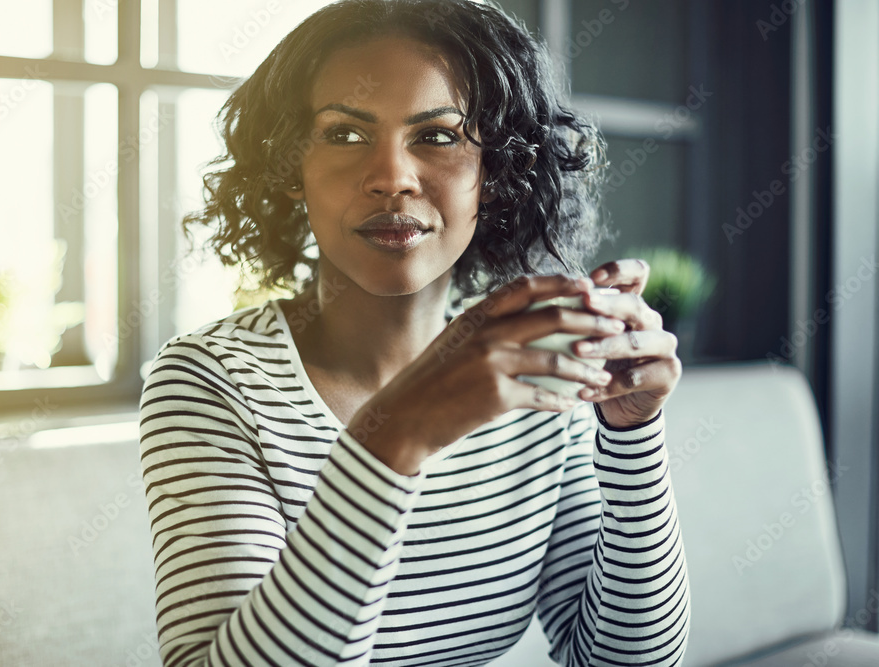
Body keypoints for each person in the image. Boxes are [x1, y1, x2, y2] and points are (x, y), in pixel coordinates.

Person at [139, 1, 690, 665]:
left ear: (497, 173)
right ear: (291, 168)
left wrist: (631, 435)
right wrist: (398, 433)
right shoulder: (209, 383)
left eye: (437, 136)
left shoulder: (532, 370)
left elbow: (620, 661)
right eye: (344, 135)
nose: (392, 178)